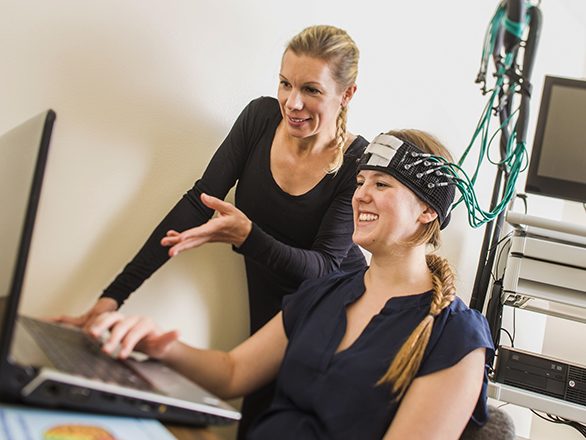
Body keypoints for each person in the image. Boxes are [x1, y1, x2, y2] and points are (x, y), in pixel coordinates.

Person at [56, 25, 368, 438]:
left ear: (346, 95)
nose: (292, 103)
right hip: (269, 326)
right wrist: (113, 297)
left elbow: (325, 270)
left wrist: (247, 236)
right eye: (285, 83)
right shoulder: (260, 119)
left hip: (337, 326)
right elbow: (196, 204)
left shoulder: (357, 163)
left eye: (311, 90)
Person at [87, 129, 495, 440]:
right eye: (360, 182)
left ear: (427, 210)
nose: (360, 196)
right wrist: (162, 345)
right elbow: (231, 373)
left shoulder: (455, 337)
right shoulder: (326, 292)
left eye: (381, 184)